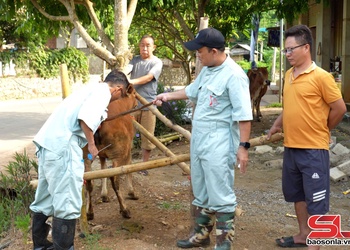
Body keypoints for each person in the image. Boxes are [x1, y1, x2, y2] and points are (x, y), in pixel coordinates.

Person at [153, 27, 252, 250]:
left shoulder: (235, 76)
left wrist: (243, 147)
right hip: (200, 140)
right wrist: (167, 95)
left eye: (200, 51)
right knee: (201, 190)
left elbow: (244, 116)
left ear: (214, 51)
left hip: (219, 141)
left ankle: (223, 244)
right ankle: (200, 236)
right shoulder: (207, 69)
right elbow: (192, 91)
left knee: (220, 192)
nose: (197, 54)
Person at [30, 70, 131, 250]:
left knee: (44, 201)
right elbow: (85, 118)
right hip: (63, 148)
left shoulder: (87, 90)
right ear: (118, 89)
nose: (118, 99)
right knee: (67, 204)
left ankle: (40, 246)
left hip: (48, 146)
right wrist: (92, 145)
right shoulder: (103, 93)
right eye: (121, 95)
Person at [267, 24, 347, 249]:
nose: (288, 54)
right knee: (297, 195)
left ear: (306, 48)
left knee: (317, 201)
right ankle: (304, 235)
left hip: (313, 150)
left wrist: (324, 129)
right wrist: (276, 125)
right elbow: (290, 107)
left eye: (291, 49)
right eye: (285, 50)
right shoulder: (289, 75)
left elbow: (339, 108)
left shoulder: (321, 77)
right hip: (291, 147)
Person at [127, 34, 163, 176]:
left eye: (148, 45)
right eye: (142, 45)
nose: (145, 48)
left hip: (148, 104)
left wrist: (131, 82)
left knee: (147, 136)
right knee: (126, 134)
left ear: (153, 47)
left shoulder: (156, 62)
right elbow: (126, 70)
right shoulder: (134, 60)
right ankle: (125, 163)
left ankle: (144, 165)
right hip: (132, 104)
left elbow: (149, 77)